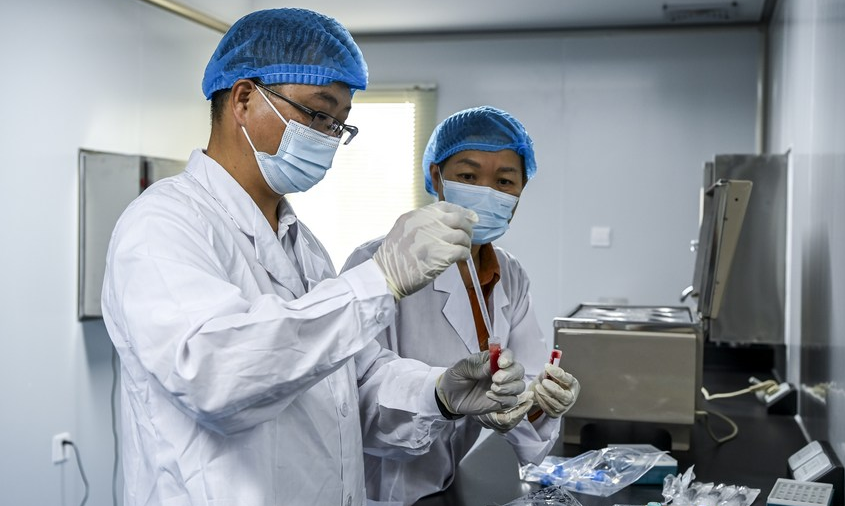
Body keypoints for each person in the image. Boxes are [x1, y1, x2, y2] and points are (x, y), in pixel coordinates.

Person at [101, 10, 529, 506]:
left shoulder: (303, 245)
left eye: (339, 125)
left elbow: (349, 385)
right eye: (319, 114)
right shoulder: (163, 224)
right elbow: (216, 374)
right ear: (244, 99)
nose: (329, 138)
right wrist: (380, 278)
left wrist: (439, 392)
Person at [343, 106, 582, 506]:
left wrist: (542, 403)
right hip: (383, 488)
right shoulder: (380, 262)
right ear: (437, 177)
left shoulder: (509, 272)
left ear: (521, 191)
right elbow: (353, 397)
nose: (487, 192)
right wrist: (440, 394)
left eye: (505, 180)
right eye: (469, 177)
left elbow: (527, 375)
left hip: (457, 483)